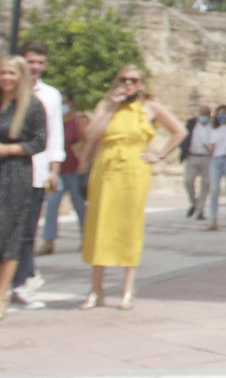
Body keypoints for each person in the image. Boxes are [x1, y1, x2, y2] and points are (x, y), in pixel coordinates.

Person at [79, 65, 186, 310]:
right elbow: (92, 135)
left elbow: (180, 131)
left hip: (133, 171)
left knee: (129, 225)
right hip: (106, 167)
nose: (128, 84)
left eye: (133, 80)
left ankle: (128, 288)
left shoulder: (150, 108)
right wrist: (111, 107)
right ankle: (96, 288)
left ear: (141, 85)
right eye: (123, 79)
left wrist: (159, 156)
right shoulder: (105, 105)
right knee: (100, 224)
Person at [11, 41, 64, 310]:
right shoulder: (6, 90)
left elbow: (55, 134)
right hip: (6, 171)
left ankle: (19, 283)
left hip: (36, 171)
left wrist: (54, 170)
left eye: (40, 63)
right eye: (31, 61)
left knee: (27, 231)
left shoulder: (50, 95)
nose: (35, 67)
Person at [0, 56, 47, 319]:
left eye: (11, 74)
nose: (6, 78)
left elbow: (39, 142)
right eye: (2, 72)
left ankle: (1, 295)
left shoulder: (31, 106)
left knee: (8, 234)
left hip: (14, 174)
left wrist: (6, 149)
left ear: (21, 76)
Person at [38, 94, 88, 256]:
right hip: (56, 172)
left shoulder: (78, 121)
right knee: (51, 206)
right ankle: (48, 241)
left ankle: (86, 239)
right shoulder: (53, 122)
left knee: (79, 206)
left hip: (75, 171)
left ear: (71, 103)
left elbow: (89, 142)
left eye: (64, 102)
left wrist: (84, 163)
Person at [183, 105, 214, 219]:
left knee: (205, 184)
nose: (204, 116)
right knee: (188, 181)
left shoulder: (214, 125)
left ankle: (200, 210)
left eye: (206, 114)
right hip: (192, 156)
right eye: (202, 114)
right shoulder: (192, 123)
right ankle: (194, 203)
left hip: (207, 157)